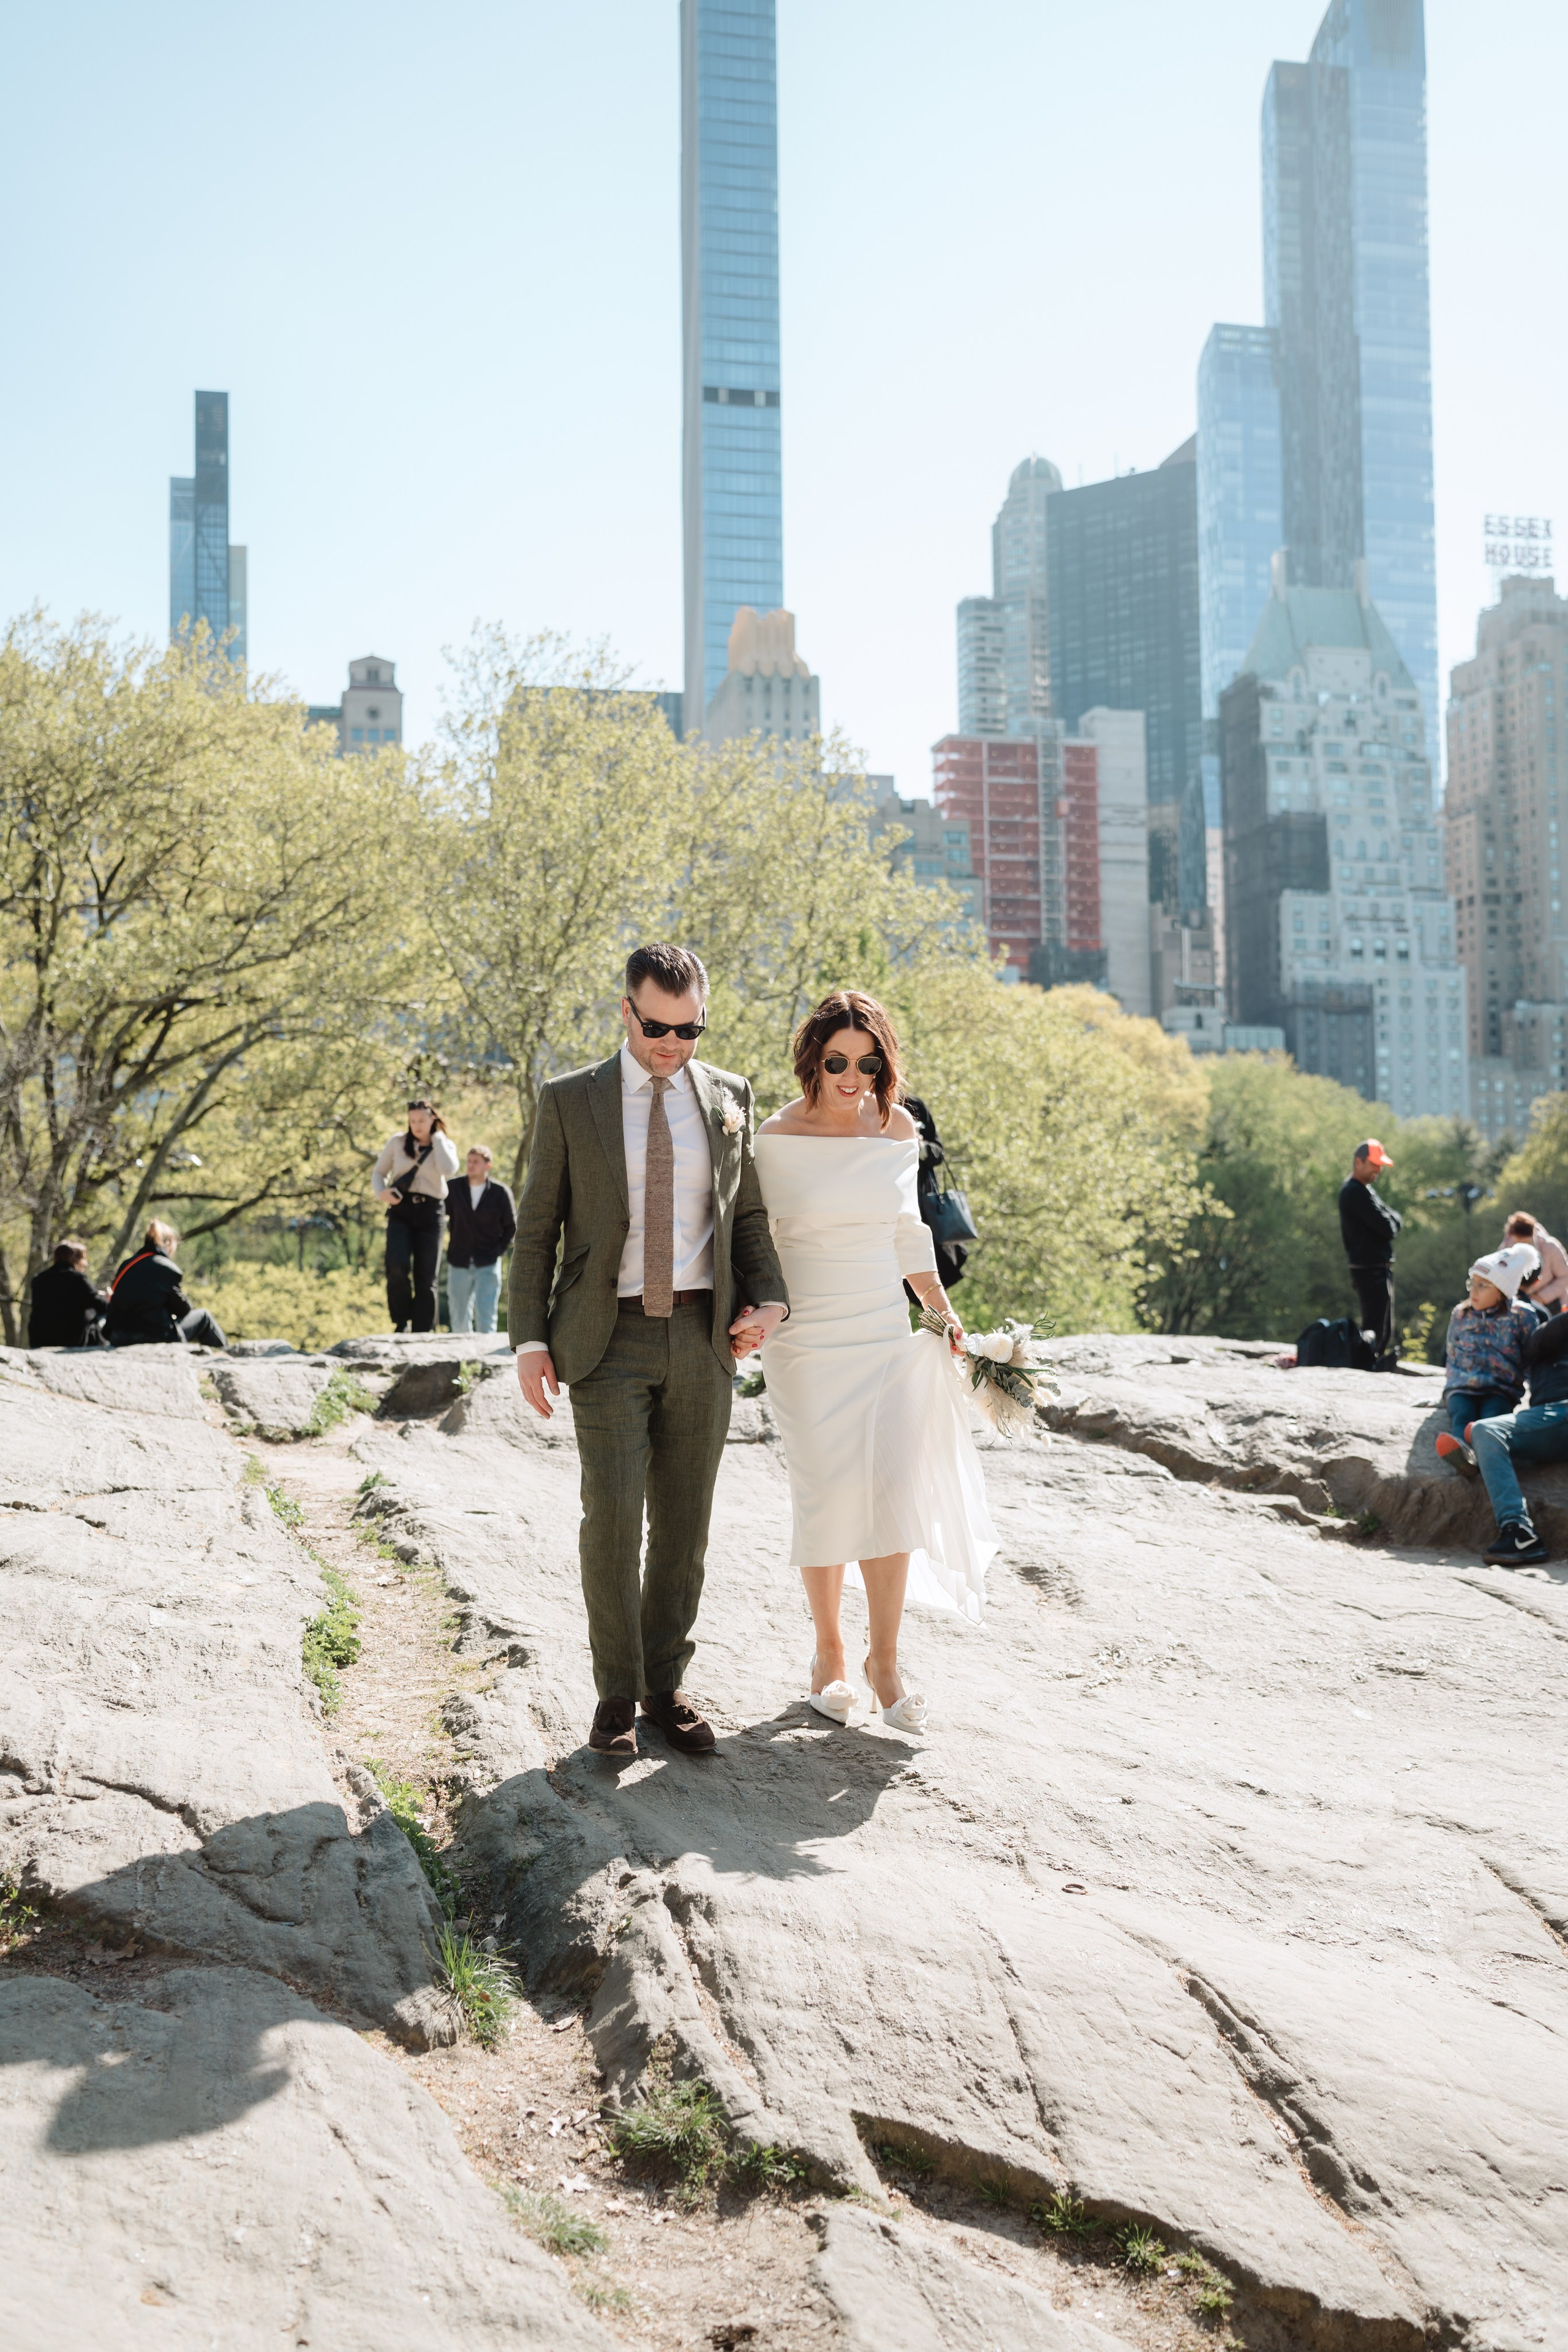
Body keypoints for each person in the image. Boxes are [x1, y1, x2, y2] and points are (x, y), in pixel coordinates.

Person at [510, 944, 788, 1761]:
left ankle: (667, 1685)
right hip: (607, 1340)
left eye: (690, 1028)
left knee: (684, 1525)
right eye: (658, 1026)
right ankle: (616, 1696)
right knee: (612, 1520)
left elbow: (748, 1223)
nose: (673, 1042)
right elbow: (536, 1232)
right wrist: (529, 1338)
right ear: (626, 1011)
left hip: (705, 1338)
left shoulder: (731, 1096)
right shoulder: (570, 1101)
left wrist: (768, 1301)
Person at [754, 990, 997, 1734]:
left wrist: (942, 1313)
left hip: (882, 1330)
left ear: (882, 1064)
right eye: (836, 1061)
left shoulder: (898, 1128)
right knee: (826, 1491)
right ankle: (827, 1655)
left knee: (893, 1491)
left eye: (866, 1061)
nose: (851, 1075)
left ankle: (882, 1662)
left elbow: (906, 1229)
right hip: (804, 1339)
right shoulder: (772, 1136)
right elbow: (752, 1241)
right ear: (813, 1061)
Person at [1470, 1303, 1568, 1567]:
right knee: (1486, 1430)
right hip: (1554, 1414)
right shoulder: (1546, 1335)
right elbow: (1539, 1342)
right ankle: (1520, 1533)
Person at [1434, 1245, 1541, 1473]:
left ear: (1503, 1292)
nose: (1474, 1290)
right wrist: (1451, 1384)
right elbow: (1452, 1354)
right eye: (1472, 1283)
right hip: (1462, 1386)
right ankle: (1462, 1455)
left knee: (1490, 1420)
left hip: (1500, 1389)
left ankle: (1486, 1455)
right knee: (1462, 1414)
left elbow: (1534, 1357)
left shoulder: (1522, 1317)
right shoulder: (1460, 1314)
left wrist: (1540, 1397)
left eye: (1483, 1285)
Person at [372, 1099, 460, 1334]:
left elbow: (449, 1170)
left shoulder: (444, 1144)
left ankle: (423, 1330)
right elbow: (379, 1173)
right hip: (401, 1211)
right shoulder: (397, 1142)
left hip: (432, 1213)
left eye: (421, 1120)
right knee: (397, 1266)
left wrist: (438, 1139)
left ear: (432, 1118)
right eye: (413, 1121)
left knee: (427, 1275)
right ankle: (401, 1323)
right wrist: (382, 1193)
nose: (417, 1125)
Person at [104, 1222, 227, 1349]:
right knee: (204, 1316)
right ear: (168, 1243)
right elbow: (183, 1310)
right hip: (154, 1337)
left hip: (118, 1336)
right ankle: (225, 1355)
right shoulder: (168, 1268)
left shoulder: (126, 1265)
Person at [1338, 1139, 1402, 1370]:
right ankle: (1366, 1367)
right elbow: (1388, 1227)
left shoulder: (1366, 1190)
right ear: (1359, 1162)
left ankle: (1372, 1363)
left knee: (1385, 1327)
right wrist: (1389, 1224)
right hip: (1368, 1269)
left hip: (1378, 1267)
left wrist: (1390, 1223)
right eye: (1374, 1164)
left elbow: (1395, 1219)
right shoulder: (1354, 1192)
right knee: (1375, 1326)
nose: (1379, 1169)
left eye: (1380, 1164)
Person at [901, 1093, 967, 1302]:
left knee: (932, 1261)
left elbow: (939, 1152)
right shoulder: (864, 1105)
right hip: (890, 1201)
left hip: (923, 1202)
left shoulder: (914, 1104)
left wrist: (921, 1148)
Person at [445, 1145, 516, 1333]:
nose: (471, 1165)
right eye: (469, 1161)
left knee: (487, 1318)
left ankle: (486, 1363)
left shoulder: (501, 1192)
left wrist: (498, 1251)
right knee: (459, 1319)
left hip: (488, 1262)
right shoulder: (453, 1188)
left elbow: (512, 1226)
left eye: (476, 1162)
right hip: (458, 1260)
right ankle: (462, 1361)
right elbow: (439, 1216)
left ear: (488, 1165)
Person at [28, 1238, 108, 1349]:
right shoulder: (78, 1279)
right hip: (71, 1341)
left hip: (40, 1340)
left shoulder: (38, 1279)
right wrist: (107, 1297)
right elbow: (103, 1307)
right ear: (76, 1260)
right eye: (84, 1259)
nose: (86, 1264)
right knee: (101, 1316)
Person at [1502, 1210, 1568, 1314]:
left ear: (1533, 1234)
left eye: (1527, 1243)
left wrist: (1541, 1297)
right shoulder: (1504, 1250)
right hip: (1520, 1304)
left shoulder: (1550, 1247)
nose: (1524, 1247)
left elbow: (1565, 1276)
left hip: (1552, 1304)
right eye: (1518, 1244)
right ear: (1511, 1236)